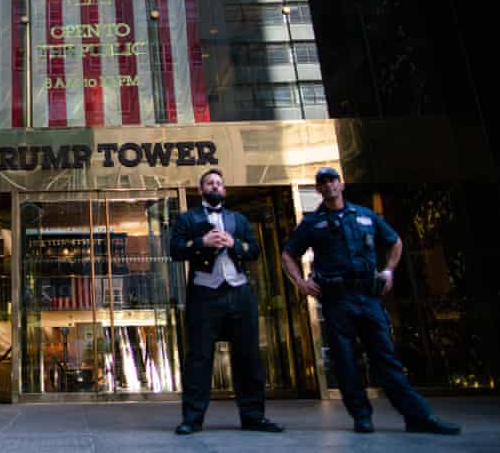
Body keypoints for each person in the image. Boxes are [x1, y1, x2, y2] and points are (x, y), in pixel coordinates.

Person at [281, 167, 461, 435]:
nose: (329, 186)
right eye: (323, 183)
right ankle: (361, 416)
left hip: (368, 296)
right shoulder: (312, 223)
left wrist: (388, 270)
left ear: (341, 185)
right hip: (336, 298)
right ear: (318, 189)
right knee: (345, 361)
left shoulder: (364, 215)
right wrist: (302, 282)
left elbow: (395, 242)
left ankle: (417, 416)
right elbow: (288, 254)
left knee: (385, 357)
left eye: (332, 181)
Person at [169, 168, 283, 435]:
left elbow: (254, 250)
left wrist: (233, 243)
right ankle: (192, 419)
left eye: (219, 183)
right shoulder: (188, 218)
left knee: (248, 357)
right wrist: (202, 241)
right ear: (201, 190)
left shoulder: (238, 219)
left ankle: (253, 416)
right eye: (209, 183)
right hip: (204, 294)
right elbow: (175, 251)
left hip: (239, 293)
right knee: (199, 358)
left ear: (225, 189)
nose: (215, 186)